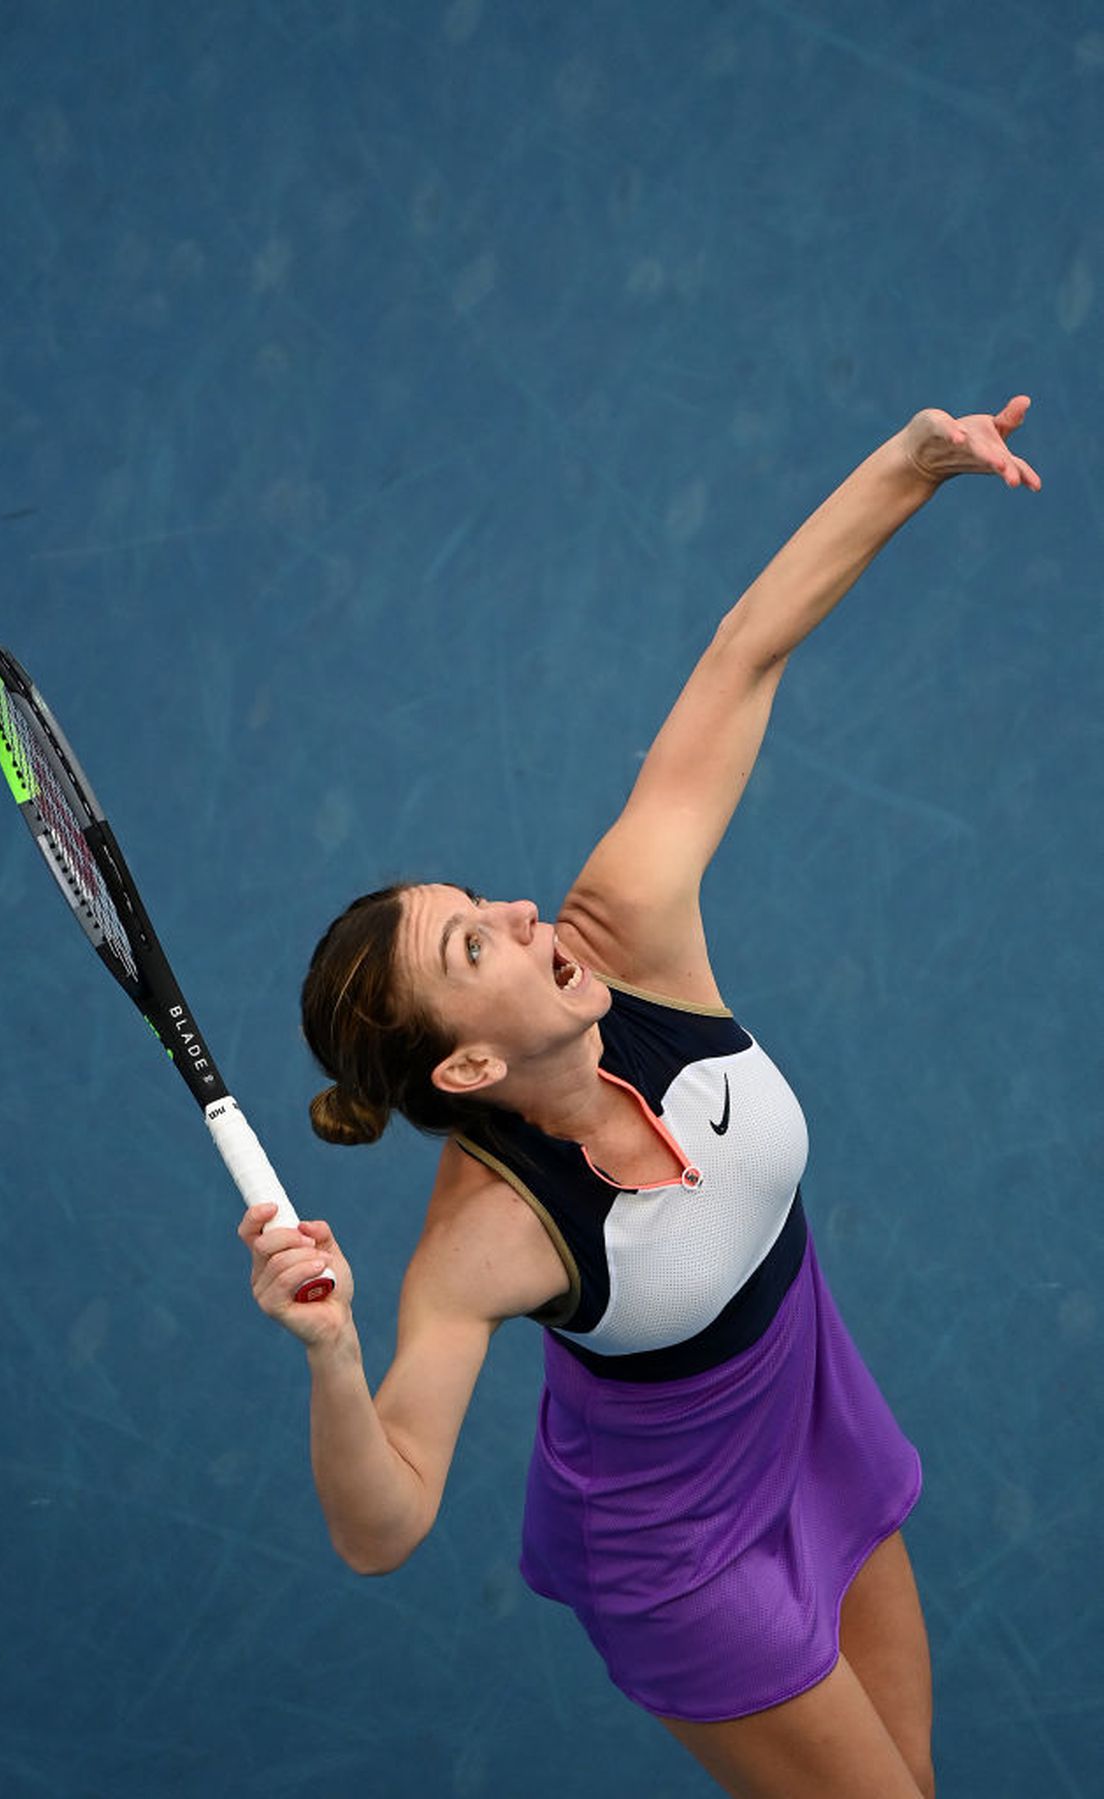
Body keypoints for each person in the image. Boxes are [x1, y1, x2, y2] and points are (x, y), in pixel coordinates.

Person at [239, 398, 1040, 1799]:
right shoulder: (485, 1242)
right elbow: (384, 1527)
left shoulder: (633, 931)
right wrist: (330, 1356)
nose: (517, 909)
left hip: (814, 1409)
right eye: (473, 948)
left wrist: (911, 464)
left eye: (479, 900)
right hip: (678, 1555)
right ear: (467, 1068)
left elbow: (743, 654)